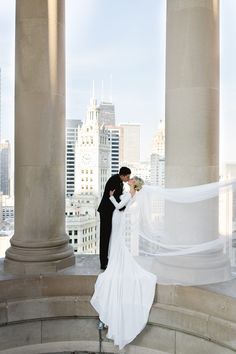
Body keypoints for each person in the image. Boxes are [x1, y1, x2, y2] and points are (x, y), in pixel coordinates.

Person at [91, 176, 157, 349]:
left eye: (132, 179)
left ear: (134, 184)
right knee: (115, 244)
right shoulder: (130, 192)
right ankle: (114, 261)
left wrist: (112, 196)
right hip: (117, 218)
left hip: (118, 218)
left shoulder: (130, 194)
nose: (130, 179)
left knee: (116, 243)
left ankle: (115, 263)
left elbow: (120, 207)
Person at [98, 166, 131, 270]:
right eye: (127, 176)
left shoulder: (119, 181)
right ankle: (103, 262)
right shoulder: (114, 180)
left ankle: (107, 259)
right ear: (123, 175)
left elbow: (118, 196)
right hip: (106, 211)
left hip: (111, 211)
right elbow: (113, 197)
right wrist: (122, 208)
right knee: (105, 236)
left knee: (108, 235)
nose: (128, 178)